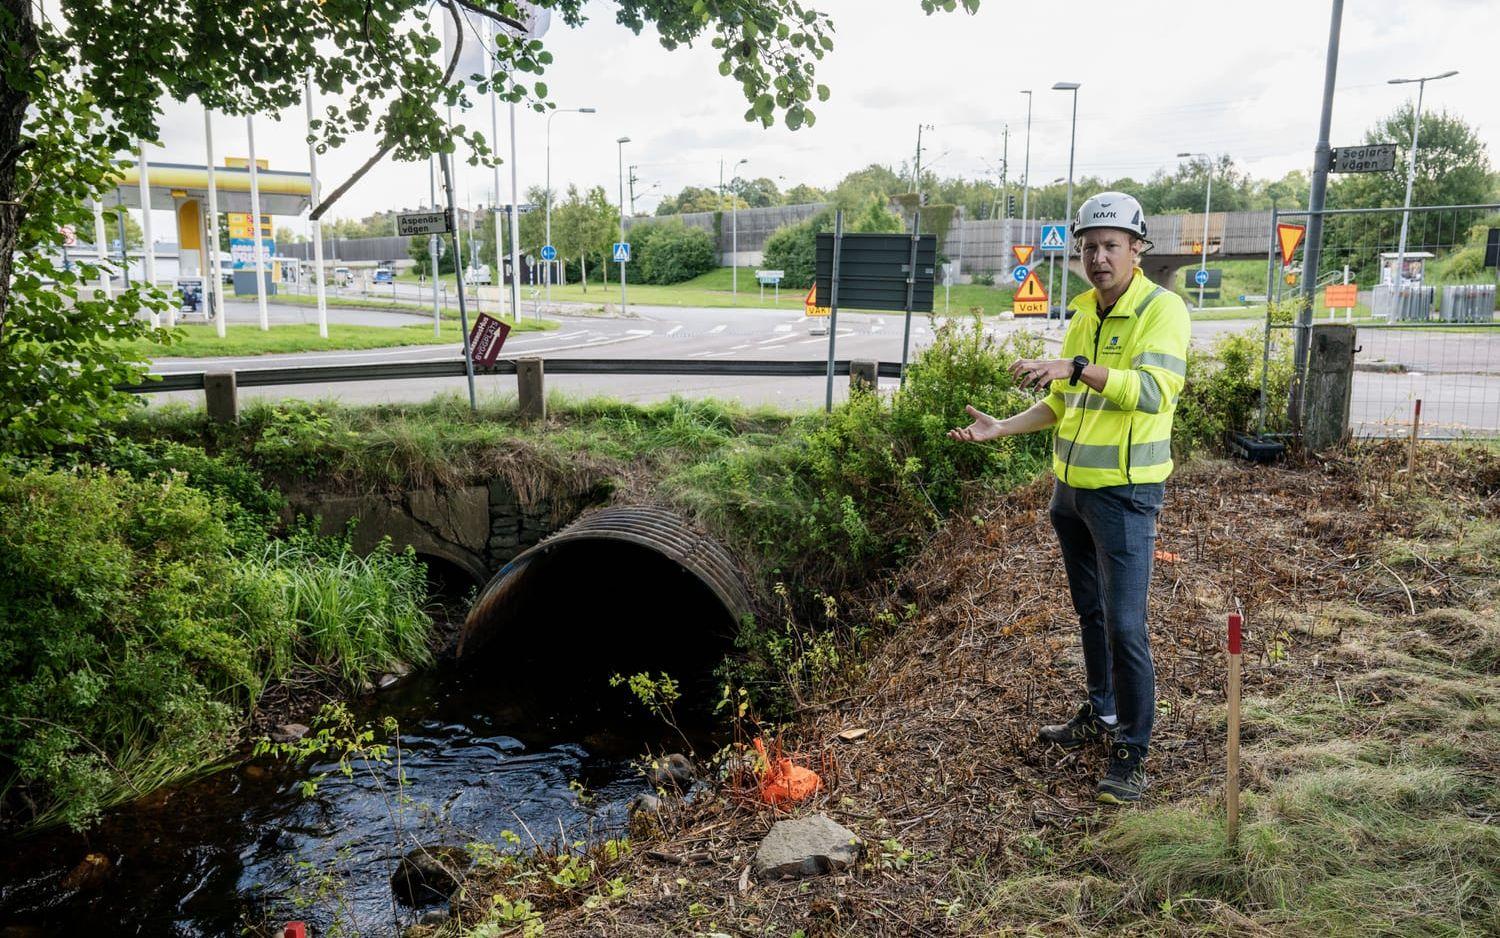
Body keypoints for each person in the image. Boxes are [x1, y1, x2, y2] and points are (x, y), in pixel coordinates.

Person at [948, 191, 1190, 804]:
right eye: (1089, 247)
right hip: (1072, 494)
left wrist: (1076, 368)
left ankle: (1132, 749)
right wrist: (1002, 426)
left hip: (1126, 495)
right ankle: (1102, 712)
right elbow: (1063, 402)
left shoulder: (1163, 311)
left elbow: (1154, 392)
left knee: (1127, 626)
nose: (1099, 257)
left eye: (1111, 246)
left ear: (1138, 250)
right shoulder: (1085, 311)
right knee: (1092, 613)